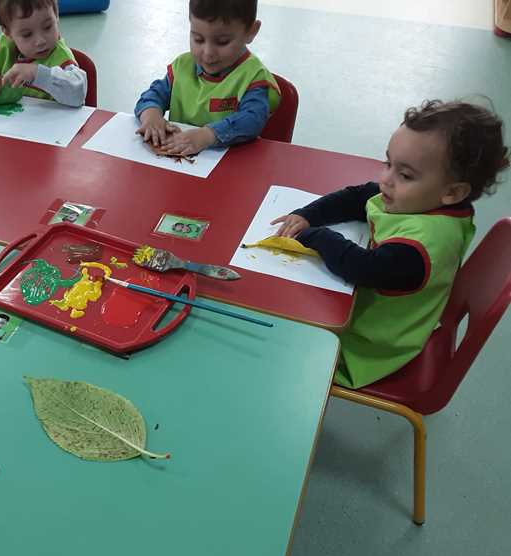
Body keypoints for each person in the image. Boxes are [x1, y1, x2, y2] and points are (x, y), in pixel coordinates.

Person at [270, 100, 509, 388]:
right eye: (388, 163)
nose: (385, 179)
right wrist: (307, 215)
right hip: (371, 315)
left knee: (270, 330)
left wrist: (314, 236)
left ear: (453, 192)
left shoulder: (420, 247)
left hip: (364, 347)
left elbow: (360, 268)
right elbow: (359, 196)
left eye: (405, 175)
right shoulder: (426, 201)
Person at [135, 0, 280, 155]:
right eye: (198, 39)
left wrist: (207, 136)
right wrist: (151, 115)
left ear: (251, 31)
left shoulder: (254, 78)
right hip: (178, 165)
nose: (208, 52)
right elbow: (153, 95)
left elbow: (252, 119)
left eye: (222, 42)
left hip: (232, 165)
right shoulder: (182, 67)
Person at [0, 0, 87, 107]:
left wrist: (37, 74)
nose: (40, 41)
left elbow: (78, 93)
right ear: (8, 33)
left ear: (56, 15)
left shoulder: (61, 58)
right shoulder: (3, 47)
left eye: (47, 27)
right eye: (27, 34)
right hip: (4, 124)